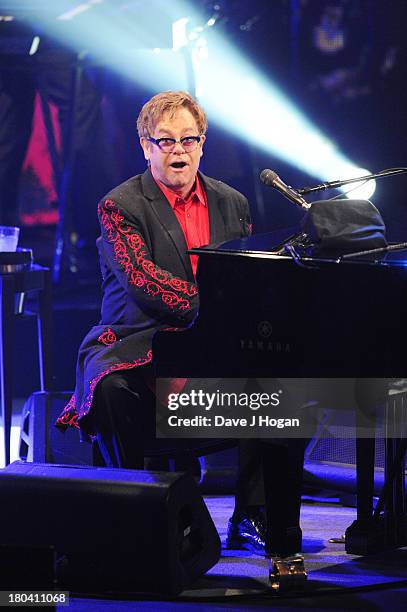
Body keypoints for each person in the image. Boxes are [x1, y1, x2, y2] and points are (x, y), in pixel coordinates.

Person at [56, 90, 270, 554]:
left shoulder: (232, 203)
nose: (178, 151)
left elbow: (246, 275)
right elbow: (143, 283)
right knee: (111, 390)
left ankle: (252, 515)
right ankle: (132, 514)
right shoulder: (120, 205)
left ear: (203, 143)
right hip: (135, 341)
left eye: (188, 140)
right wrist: (214, 310)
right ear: (146, 146)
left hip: (214, 340)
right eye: (166, 141)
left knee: (275, 375)